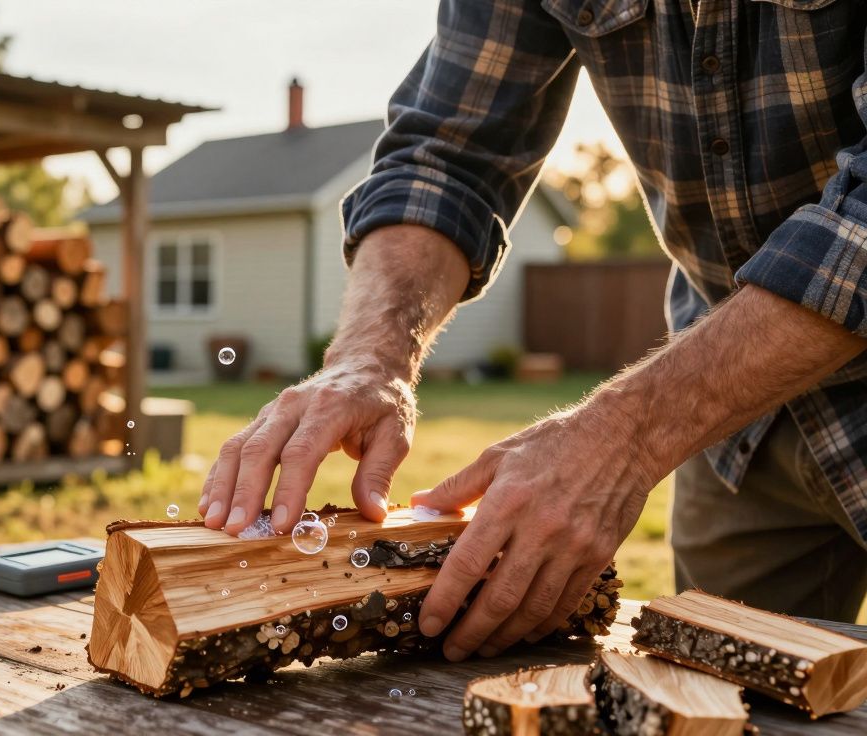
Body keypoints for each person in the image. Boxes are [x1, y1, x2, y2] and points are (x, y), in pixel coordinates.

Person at [200, 0, 867, 662]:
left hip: (712, 398)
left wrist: (625, 435)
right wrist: (370, 357)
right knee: (720, 686)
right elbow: (446, 159)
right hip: (736, 428)